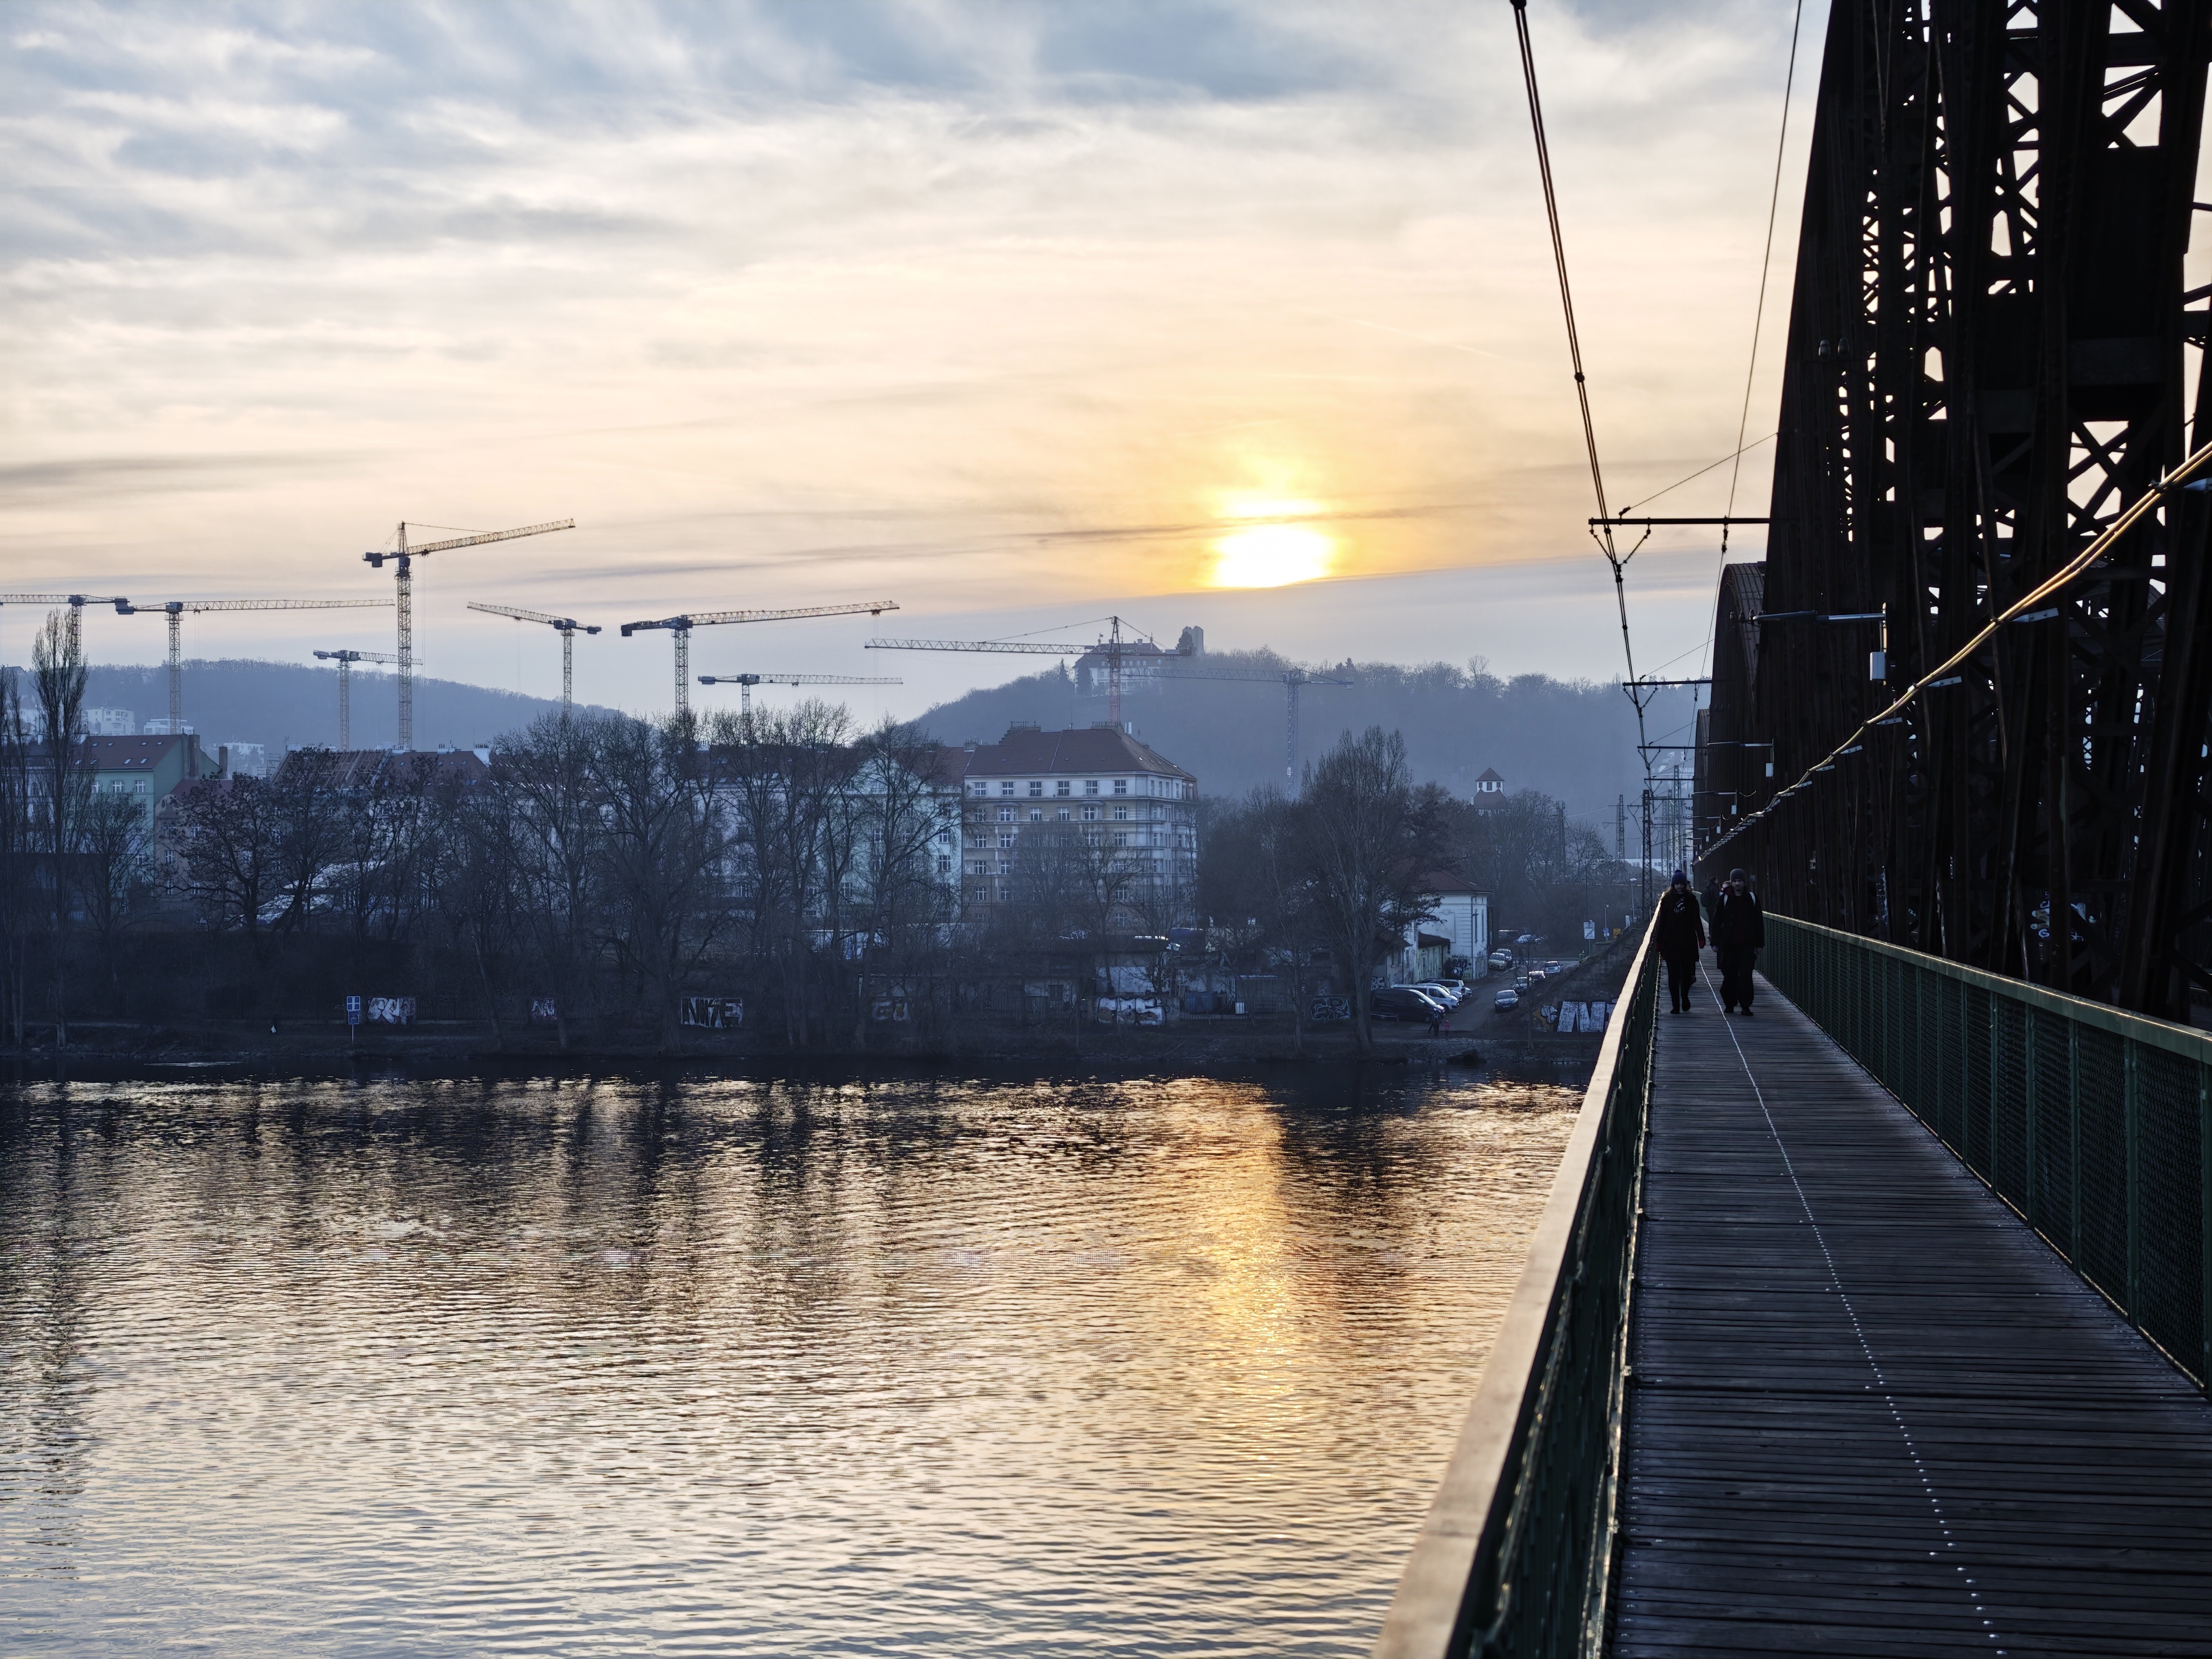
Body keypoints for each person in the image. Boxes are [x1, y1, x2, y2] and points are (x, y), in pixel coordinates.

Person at [1712, 867, 1766, 1015]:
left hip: (1747, 944)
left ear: (1744, 882)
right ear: (1732, 882)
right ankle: (1730, 1004)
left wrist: (1760, 944)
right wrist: (1715, 941)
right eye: (1735, 881)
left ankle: (1745, 1005)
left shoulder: (1752, 899)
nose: (1737, 884)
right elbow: (1716, 921)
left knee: (1746, 975)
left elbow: (1759, 922)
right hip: (1729, 945)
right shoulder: (1725, 899)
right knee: (1729, 975)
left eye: (1740, 881)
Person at [1654, 870, 1706, 1014]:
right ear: (1673, 885)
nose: (1679, 887)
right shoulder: (1667, 900)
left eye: (1681, 884)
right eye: (1676, 884)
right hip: (1670, 943)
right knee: (1673, 976)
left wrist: (1701, 938)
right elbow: (1662, 922)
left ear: (1685, 885)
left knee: (1687, 976)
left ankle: (1685, 996)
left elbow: (1696, 920)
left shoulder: (1691, 899)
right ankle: (1676, 1005)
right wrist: (1659, 942)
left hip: (1687, 942)